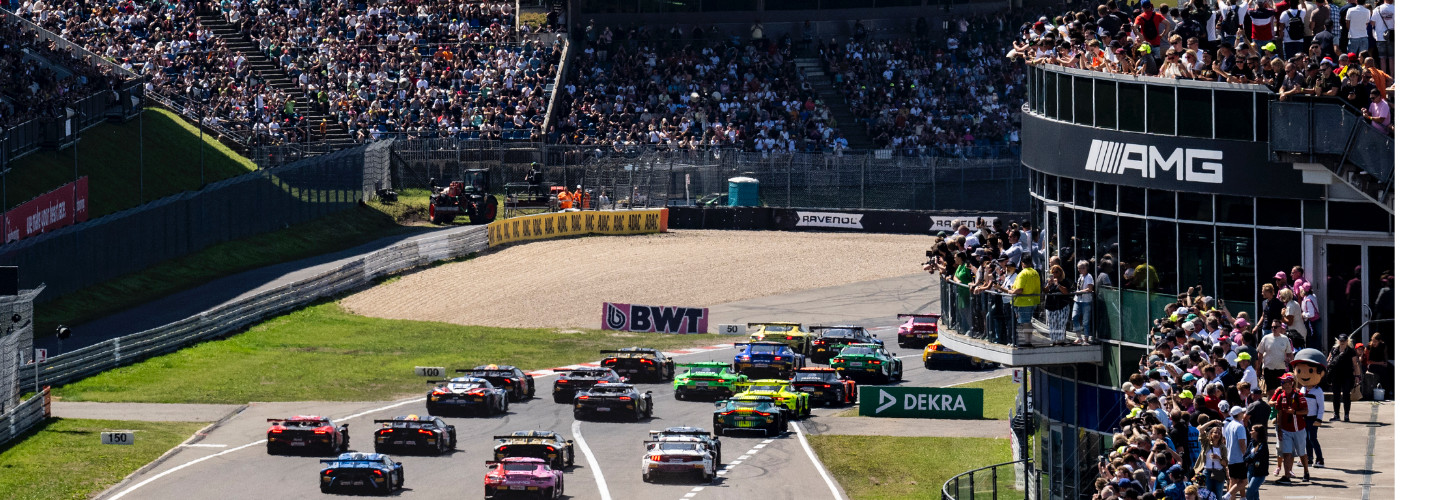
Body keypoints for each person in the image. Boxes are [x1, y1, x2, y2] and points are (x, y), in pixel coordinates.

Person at [1270, 373, 1310, 482]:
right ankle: (1287, 475)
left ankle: (1306, 471)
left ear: (1292, 383)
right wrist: (1279, 429)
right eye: (1283, 382)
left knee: (1301, 452)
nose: (1285, 385)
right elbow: (1279, 413)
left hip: (1298, 429)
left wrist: (1295, 412)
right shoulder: (1281, 396)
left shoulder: (1299, 396)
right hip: (1285, 429)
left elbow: (1306, 411)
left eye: (1287, 382)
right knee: (1286, 453)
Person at [1327, 333, 1361, 421]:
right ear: (1338, 341)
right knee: (1336, 395)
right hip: (1335, 375)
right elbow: (1328, 361)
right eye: (1341, 340)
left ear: (1347, 341)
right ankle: (1336, 414)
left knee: (1346, 395)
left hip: (1347, 375)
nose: (1342, 342)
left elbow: (1355, 364)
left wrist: (1357, 376)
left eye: (1344, 340)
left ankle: (1346, 415)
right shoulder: (1334, 350)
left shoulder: (1351, 351)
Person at [1257, 320, 1294, 393]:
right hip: (1268, 369)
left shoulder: (1285, 339)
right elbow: (1260, 353)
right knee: (1270, 391)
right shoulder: (1266, 338)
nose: (1273, 329)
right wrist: (1258, 368)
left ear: (1280, 328)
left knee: (1280, 391)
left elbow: (1289, 353)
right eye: (1272, 327)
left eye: (1276, 327)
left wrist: (1293, 366)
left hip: (1281, 369)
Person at [1222, 406, 1248, 498]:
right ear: (1239, 414)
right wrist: (1246, 456)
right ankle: (1227, 496)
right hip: (1239, 458)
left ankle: (1239, 497)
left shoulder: (1229, 426)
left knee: (1233, 481)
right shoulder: (1239, 426)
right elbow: (1242, 443)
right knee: (1244, 481)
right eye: (1242, 413)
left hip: (1231, 457)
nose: (1243, 414)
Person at [1043, 265, 1071, 345]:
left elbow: (1066, 292)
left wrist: (1057, 284)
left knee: (1061, 324)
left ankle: (1060, 341)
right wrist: (1049, 285)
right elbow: (1045, 291)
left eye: (1056, 272)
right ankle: (1054, 340)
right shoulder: (1049, 281)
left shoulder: (1064, 281)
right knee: (1052, 324)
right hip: (1051, 306)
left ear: (1060, 273)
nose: (1054, 274)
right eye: (1052, 272)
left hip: (1062, 305)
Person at [1073, 260, 1096, 344]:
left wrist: (1080, 291)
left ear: (1086, 268)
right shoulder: (1080, 276)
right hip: (1077, 300)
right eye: (1079, 268)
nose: (1080, 270)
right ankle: (1079, 337)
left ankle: (1086, 338)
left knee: (1085, 320)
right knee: (1074, 317)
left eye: (1082, 268)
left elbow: (1090, 288)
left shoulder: (1089, 277)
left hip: (1086, 301)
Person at [1244, 424, 1269, 500]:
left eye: (1252, 430)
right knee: (1255, 495)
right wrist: (1247, 458)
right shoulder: (1252, 443)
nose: (1250, 432)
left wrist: (1248, 458)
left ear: (1257, 432)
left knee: (1249, 493)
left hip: (1259, 472)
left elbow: (1256, 456)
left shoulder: (1263, 445)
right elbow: (1246, 455)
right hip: (1250, 470)